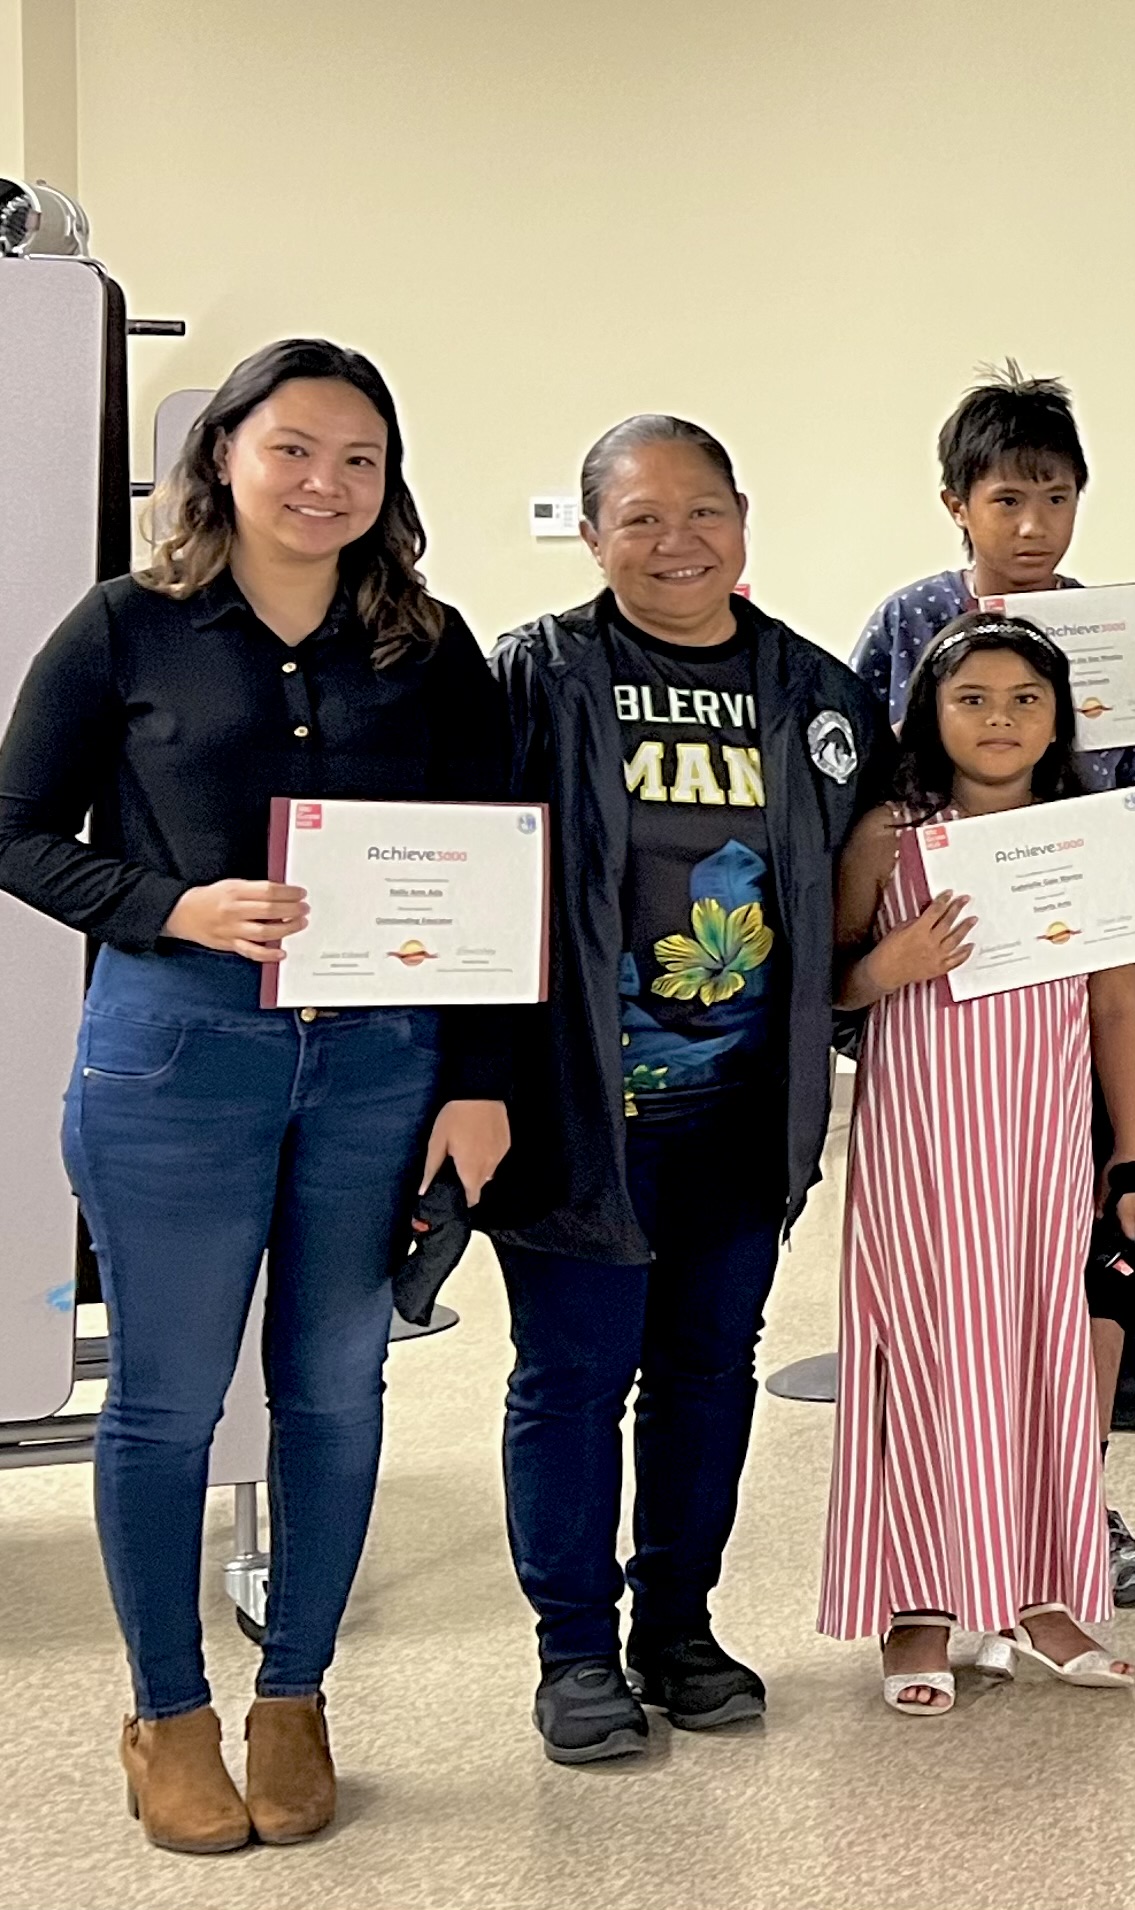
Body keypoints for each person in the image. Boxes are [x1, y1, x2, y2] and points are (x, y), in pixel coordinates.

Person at [0, 339, 511, 1852]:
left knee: (336, 1387)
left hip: (380, 1060)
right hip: (178, 1051)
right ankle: (166, 1711)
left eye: (359, 458)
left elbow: (501, 863)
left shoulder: (432, 644)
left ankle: (294, 1692)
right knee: (162, 1399)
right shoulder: (125, 628)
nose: (325, 484)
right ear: (223, 454)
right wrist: (174, 904)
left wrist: (476, 1083)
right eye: (293, 449)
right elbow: (18, 832)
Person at [489, 415, 887, 1759]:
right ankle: (571, 1650)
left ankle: (679, 1625)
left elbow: (888, 858)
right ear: (592, 532)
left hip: (741, 1116)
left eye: (703, 510)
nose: (677, 541)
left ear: (743, 519)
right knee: (571, 1378)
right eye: (643, 516)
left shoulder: (816, 695)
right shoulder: (531, 679)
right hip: (579, 1112)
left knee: (709, 1373)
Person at [854, 364, 1135, 1610]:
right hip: (945, 1004)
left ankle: (1073, 1500)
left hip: (1086, 986)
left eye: (1057, 497)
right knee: (955, 1267)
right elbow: (865, 796)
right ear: (957, 504)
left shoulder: (1117, 632)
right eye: (1009, 498)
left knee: (1098, 1244)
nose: (1035, 525)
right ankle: (940, 1521)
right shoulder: (902, 625)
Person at [823, 615, 1135, 1711]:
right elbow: (825, 986)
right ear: (927, 710)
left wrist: (1130, 1152)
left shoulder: (1086, 833)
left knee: (1038, 1354)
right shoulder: (888, 832)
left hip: (1043, 1147)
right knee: (924, 1353)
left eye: (1025, 698)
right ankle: (918, 1601)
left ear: (1060, 716)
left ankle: (1042, 1592)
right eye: (972, 696)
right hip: (923, 1147)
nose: (1000, 718)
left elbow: (1115, 1000)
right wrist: (891, 962)